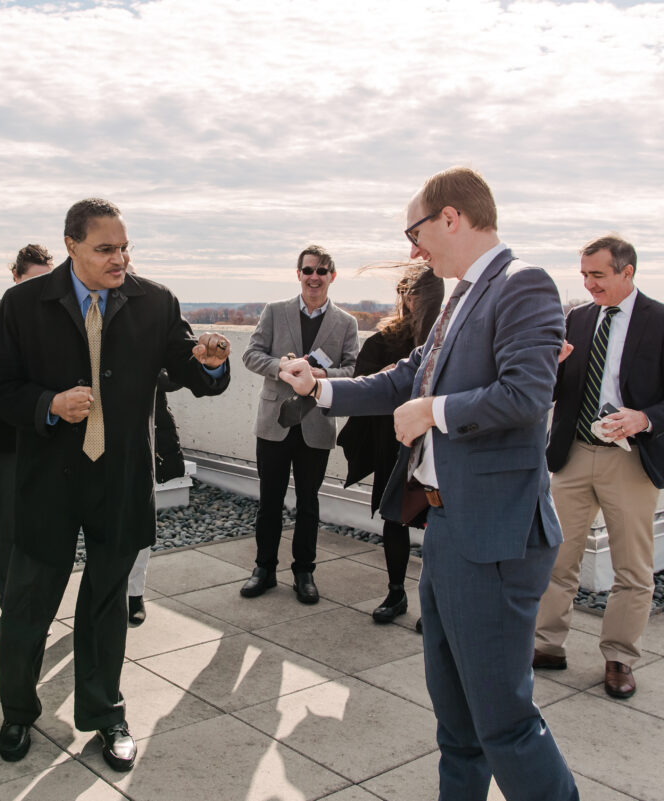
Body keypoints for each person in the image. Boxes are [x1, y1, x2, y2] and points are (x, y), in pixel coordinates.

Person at [280, 167, 578, 801]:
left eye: (415, 231)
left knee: (505, 723)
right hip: (448, 529)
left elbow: (527, 393)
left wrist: (434, 412)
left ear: (451, 218)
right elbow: (406, 375)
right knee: (458, 722)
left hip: (494, 539)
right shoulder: (462, 294)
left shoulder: (523, 284)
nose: (413, 248)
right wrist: (321, 388)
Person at [0, 198, 231, 771]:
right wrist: (48, 404)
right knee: (28, 606)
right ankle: (17, 711)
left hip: (119, 478)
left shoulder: (156, 301)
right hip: (48, 481)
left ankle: (105, 711)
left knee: (107, 606)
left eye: (124, 247)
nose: (120, 259)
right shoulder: (20, 306)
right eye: (105, 249)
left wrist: (211, 360)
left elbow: (191, 369)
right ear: (71, 246)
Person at [534, 235, 664, 698]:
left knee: (633, 570)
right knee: (554, 558)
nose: (589, 285)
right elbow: (552, 390)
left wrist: (644, 417)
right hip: (572, 456)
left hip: (631, 462)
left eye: (598, 276)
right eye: (585, 275)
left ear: (627, 272)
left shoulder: (660, 320)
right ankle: (547, 645)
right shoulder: (577, 319)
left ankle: (619, 659)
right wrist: (549, 366)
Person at [240, 245, 359, 604]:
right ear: (298, 274)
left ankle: (304, 571)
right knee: (270, 501)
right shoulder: (275, 312)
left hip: (316, 423)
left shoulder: (346, 323)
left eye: (322, 271)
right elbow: (251, 354)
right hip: (275, 421)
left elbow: (353, 370)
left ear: (332, 276)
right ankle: (264, 568)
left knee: (308, 502)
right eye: (308, 270)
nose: (314, 277)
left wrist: (319, 374)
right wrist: (282, 368)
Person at [336, 265, 443, 622]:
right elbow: (364, 383)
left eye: (420, 293)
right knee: (394, 518)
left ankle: (437, 606)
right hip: (393, 442)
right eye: (407, 293)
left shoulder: (447, 339)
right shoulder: (383, 340)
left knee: (440, 525)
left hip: (438, 446)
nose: (412, 300)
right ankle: (396, 593)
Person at [0, 244, 54, 638]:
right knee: (7, 528)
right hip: (4, 439)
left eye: (48, 279)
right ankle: (10, 611)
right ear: (16, 278)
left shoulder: (59, 315)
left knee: (44, 528)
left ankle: (38, 608)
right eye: (33, 280)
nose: (41, 288)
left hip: (51, 438)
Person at [126, 370, 187, 626]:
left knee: (139, 517)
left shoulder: (151, 328)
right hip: (91, 429)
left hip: (141, 434)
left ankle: (134, 593)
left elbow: (175, 375)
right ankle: (100, 593)